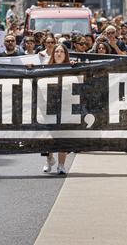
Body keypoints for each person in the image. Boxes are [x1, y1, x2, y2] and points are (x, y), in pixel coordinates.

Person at [42, 43, 74, 175]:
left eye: (62, 51)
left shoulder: (71, 68)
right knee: (48, 137)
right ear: (53, 54)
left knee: (63, 136)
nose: (59, 53)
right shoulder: (44, 69)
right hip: (48, 108)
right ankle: (49, 159)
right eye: (57, 51)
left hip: (65, 108)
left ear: (66, 54)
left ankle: (61, 165)